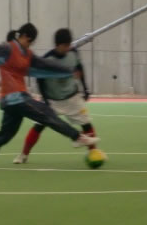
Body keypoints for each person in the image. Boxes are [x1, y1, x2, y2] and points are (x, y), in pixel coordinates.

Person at [0, 23, 99, 167]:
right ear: (25, 36)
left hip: (12, 101)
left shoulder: (27, 55)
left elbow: (45, 65)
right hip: (16, 98)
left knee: (6, 134)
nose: (30, 45)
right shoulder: (7, 49)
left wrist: (68, 71)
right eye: (30, 42)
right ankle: (77, 137)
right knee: (46, 113)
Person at [13, 28, 101, 164]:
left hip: (72, 98)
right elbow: (40, 80)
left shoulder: (73, 53)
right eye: (65, 45)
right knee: (38, 126)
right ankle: (23, 155)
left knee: (86, 124)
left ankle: (93, 152)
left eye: (69, 45)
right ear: (57, 45)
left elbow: (80, 68)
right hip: (52, 100)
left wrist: (85, 88)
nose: (68, 48)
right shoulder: (47, 59)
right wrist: (45, 100)